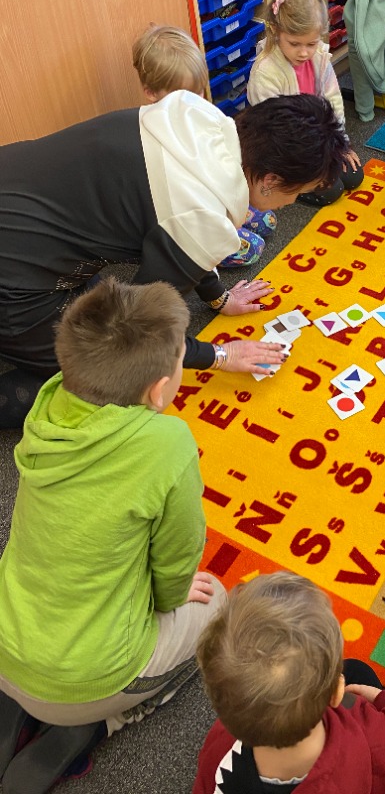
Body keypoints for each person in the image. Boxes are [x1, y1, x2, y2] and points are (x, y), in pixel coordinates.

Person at [0, 279, 227, 793]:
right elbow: (177, 560)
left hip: (8, 643)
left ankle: (24, 699)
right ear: (158, 391)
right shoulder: (168, 442)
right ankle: (102, 722)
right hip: (89, 676)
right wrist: (172, 598)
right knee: (217, 602)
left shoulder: (48, 402)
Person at [0, 91, 347, 428]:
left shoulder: (197, 115)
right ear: (270, 181)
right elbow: (139, 328)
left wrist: (219, 297)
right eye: (298, 193)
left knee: (97, 307)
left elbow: (185, 228)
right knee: (107, 368)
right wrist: (221, 356)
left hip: (16, 191)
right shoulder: (201, 216)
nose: (291, 204)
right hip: (14, 270)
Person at [193, 571, 385, 794]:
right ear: (336, 693)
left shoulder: (219, 745)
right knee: (358, 670)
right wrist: (380, 697)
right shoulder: (382, 744)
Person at [132, 23, 277, 269]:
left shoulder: (201, 116)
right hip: (188, 216)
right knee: (253, 248)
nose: (194, 103)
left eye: (198, 92)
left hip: (213, 199)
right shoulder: (155, 134)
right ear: (151, 93)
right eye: (183, 95)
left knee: (267, 220)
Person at [247, 0, 364, 208]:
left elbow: (333, 101)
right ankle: (294, 184)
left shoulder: (318, 57)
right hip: (283, 148)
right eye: (295, 44)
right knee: (331, 190)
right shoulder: (265, 73)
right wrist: (314, 162)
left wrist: (339, 144)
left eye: (311, 43)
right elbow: (275, 134)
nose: (304, 52)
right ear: (275, 31)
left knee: (353, 175)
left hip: (315, 139)